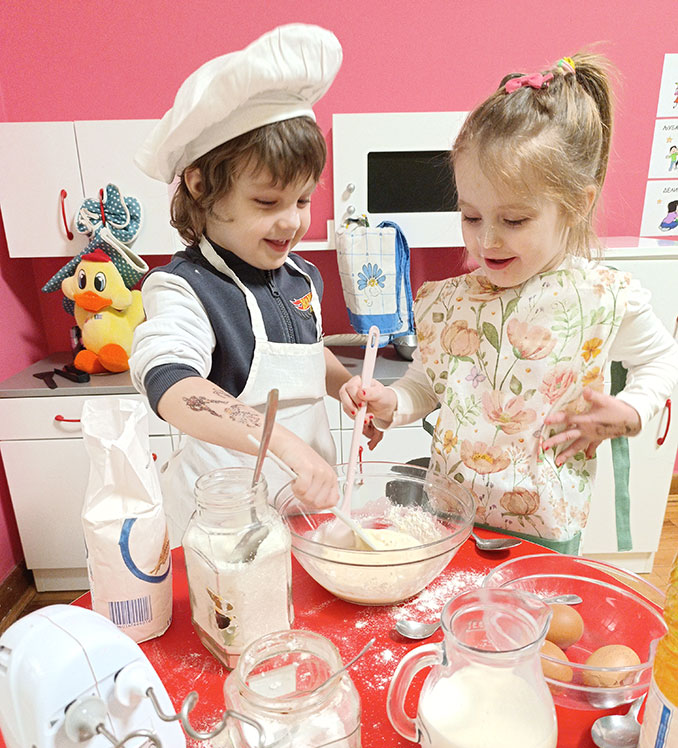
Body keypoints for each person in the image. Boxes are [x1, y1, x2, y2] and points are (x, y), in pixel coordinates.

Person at [340, 52, 678, 553]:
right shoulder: (448, 302)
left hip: (544, 528)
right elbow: (429, 384)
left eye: (514, 220)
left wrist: (633, 408)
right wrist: (393, 403)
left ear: (576, 205)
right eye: (471, 217)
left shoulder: (602, 297)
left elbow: (662, 358)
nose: (487, 241)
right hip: (449, 514)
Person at [130, 25, 348, 544]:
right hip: (224, 520)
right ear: (201, 185)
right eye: (267, 202)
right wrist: (284, 445)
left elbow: (306, 357)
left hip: (304, 504)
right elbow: (172, 383)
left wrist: (347, 387)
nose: (292, 221)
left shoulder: (301, 277)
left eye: (302, 200)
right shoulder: (183, 287)